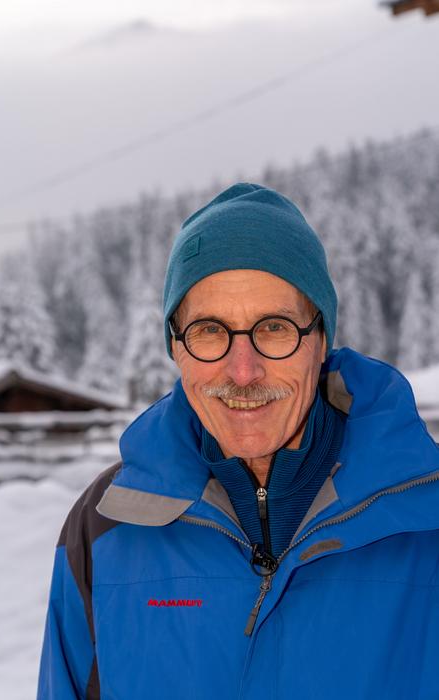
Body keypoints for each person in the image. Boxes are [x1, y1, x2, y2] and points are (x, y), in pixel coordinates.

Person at [37, 183, 439, 700]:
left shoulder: (425, 514)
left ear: (320, 341)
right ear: (175, 350)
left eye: (274, 327)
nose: (243, 371)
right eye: (209, 330)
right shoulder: (106, 527)